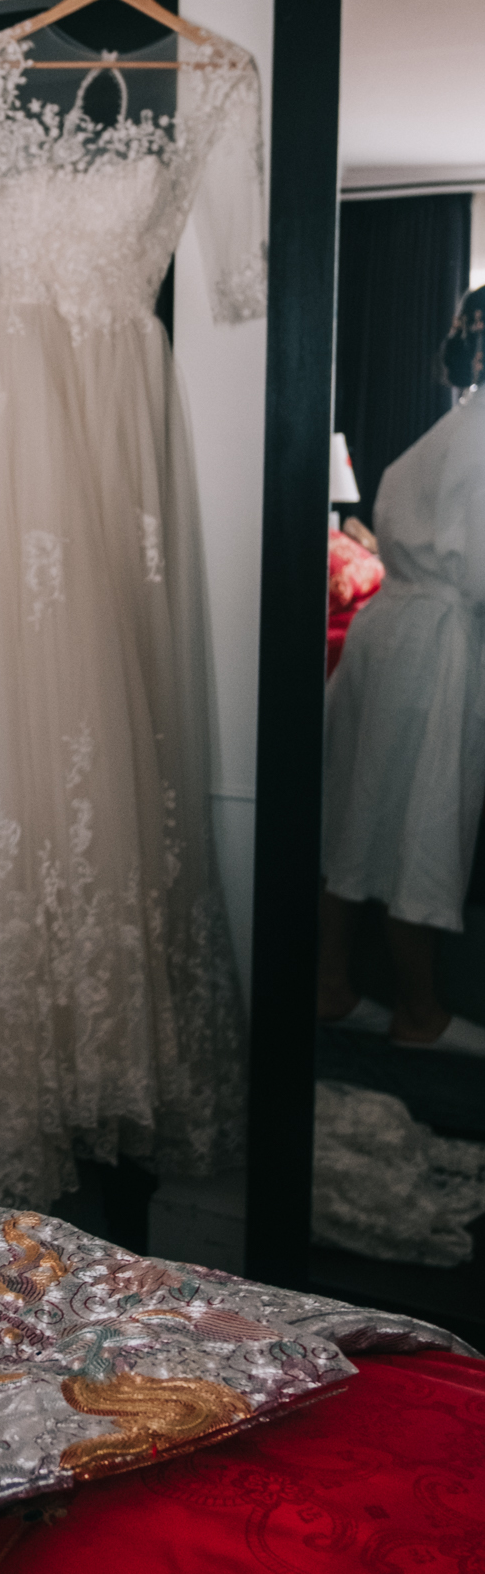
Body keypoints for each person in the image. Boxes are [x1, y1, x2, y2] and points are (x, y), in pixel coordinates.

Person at [319, 284, 485, 1057]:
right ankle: (419, 1010)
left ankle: (331, 982)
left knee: (359, 809)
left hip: (387, 631)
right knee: (425, 819)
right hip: (444, 637)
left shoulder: (444, 430)